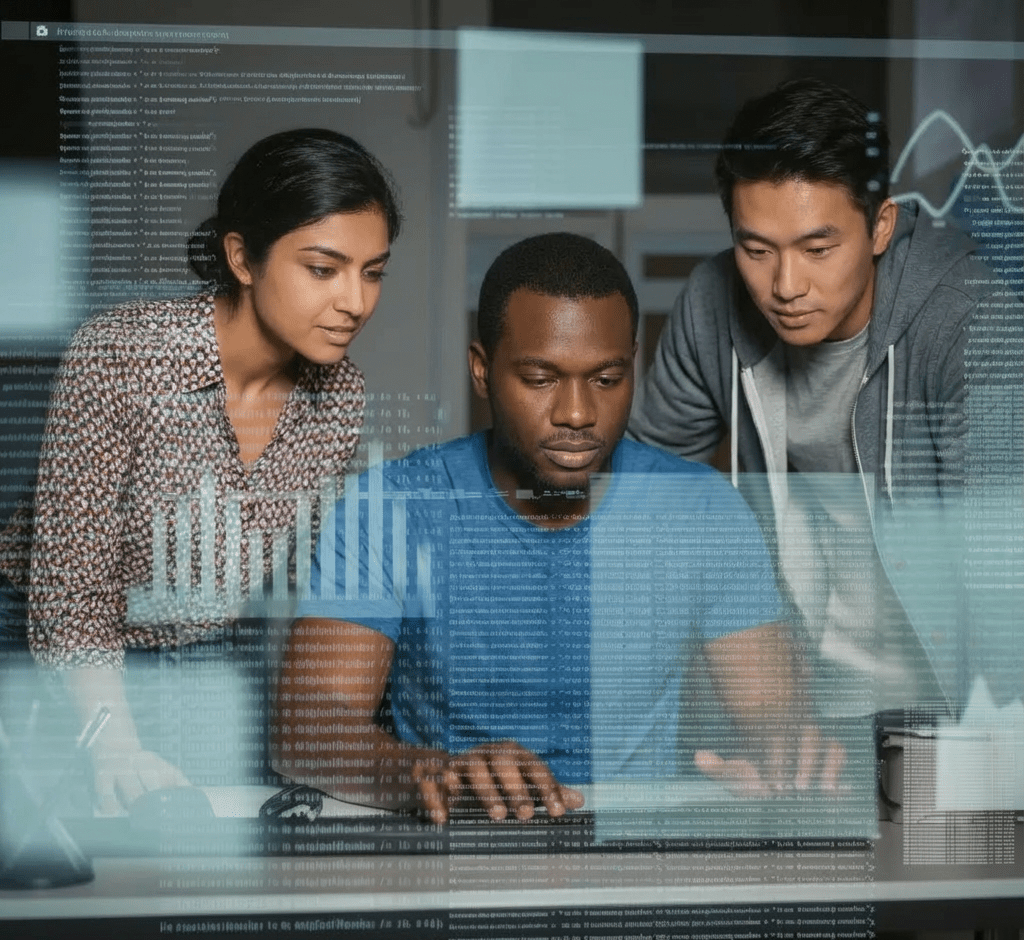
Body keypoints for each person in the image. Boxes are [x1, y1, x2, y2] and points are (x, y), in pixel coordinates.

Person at [275, 231, 843, 827]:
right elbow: (308, 729)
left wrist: (787, 752)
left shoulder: (699, 510)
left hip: (633, 856)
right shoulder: (389, 505)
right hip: (458, 848)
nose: (577, 413)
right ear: (482, 370)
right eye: (542, 378)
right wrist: (428, 774)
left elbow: (771, 707)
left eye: (605, 378)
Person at [0, 127, 402, 814]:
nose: (356, 302)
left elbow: (297, 574)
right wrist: (113, 743)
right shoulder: (119, 356)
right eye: (322, 268)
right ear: (242, 257)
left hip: (204, 656)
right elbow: (70, 593)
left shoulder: (341, 395)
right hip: (47, 649)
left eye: (372, 272)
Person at [629, 78, 1022, 718]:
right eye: (756, 250)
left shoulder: (971, 324)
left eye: (818, 249)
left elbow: (1004, 574)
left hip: (950, 704)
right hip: (799, 706)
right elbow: (645, 495)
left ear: (881, 226)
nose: (786, 285)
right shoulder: (712, 304)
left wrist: (985, 752)